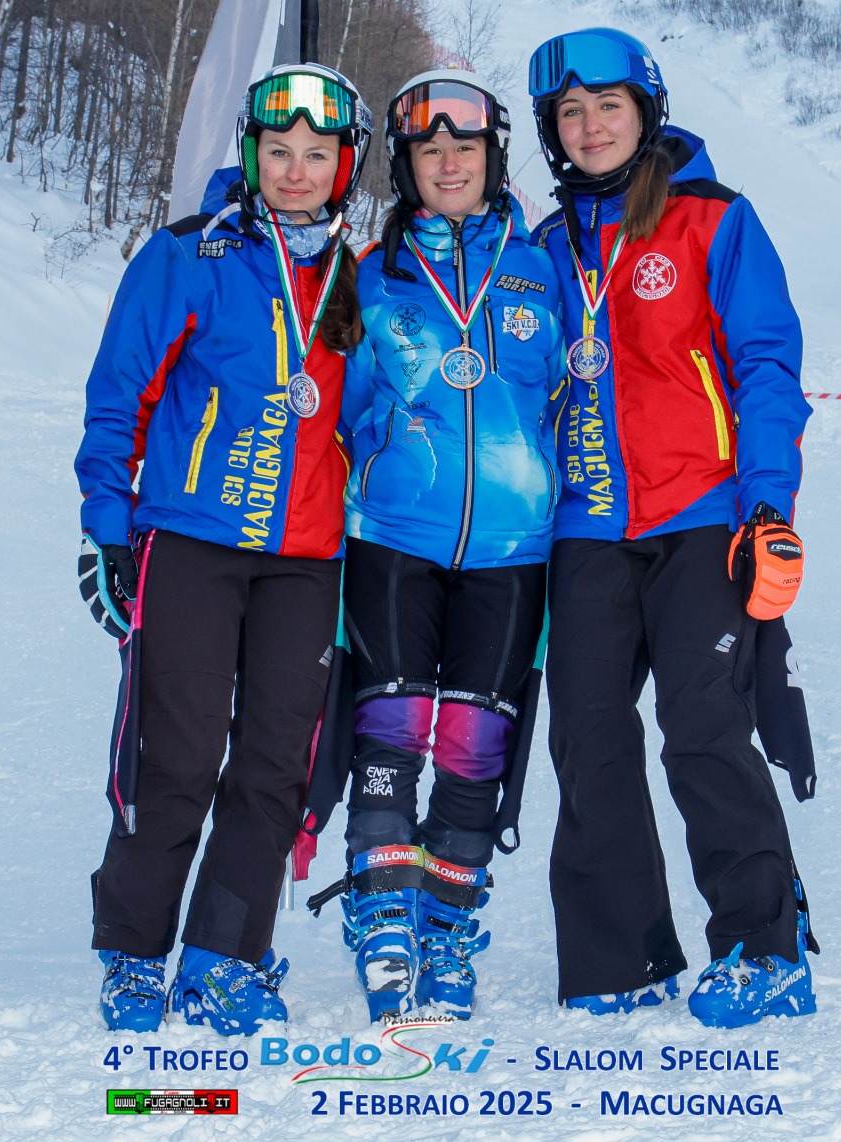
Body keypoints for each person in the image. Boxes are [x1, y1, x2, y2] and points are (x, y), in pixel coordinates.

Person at [528, 28, 818, 1029]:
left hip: (702, 516)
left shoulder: (714, 220)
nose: (590, 126)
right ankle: (620, 957)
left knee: (702, 728)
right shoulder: (542, 249)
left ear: (645, 112)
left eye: (607, 105)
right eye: (570, 112)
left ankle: (763, 946)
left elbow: (766, 365)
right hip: (585, 526)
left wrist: (768, 505)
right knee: (588, 737)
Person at [73, 62, 372, 1035]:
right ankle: (133, 951)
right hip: (194, 542)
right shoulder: (188, 254)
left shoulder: (357, 276)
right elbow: (119, 394)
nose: (296, 171)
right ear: (251, 154)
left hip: (307, 559)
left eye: (316, 155)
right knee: (177, 753)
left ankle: (226, 956)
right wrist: (107, 525)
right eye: (278, 151)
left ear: (344, 167)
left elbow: (365, 415)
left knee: (276, 763)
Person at [325, 70, 564, 1021]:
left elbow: (584, 399)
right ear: (405, 166)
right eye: (429, 149)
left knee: (476, 739)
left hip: (514, 546)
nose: (449, 162)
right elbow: (330, 409)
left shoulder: (545, 267)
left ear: (493, 158)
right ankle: (384, 913)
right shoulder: (367, 275)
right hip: (394, 537)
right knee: (391, 724)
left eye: (465, 146)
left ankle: (448, 920)